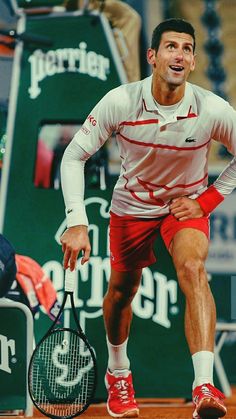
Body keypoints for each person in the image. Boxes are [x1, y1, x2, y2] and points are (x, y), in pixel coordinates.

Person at [59, 18, 236, 419]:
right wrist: (76, 220)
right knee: (122, 292)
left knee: (194, 268)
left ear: (192, 62)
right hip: (132, 207)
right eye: (171, 46)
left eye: (187, 48)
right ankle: (118, 372)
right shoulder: (120, 101)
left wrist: (207, 200)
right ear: (153, 57)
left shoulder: (211, 109)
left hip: (183, 206)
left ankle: (204, 387)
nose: (180, 54)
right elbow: (73, 155)